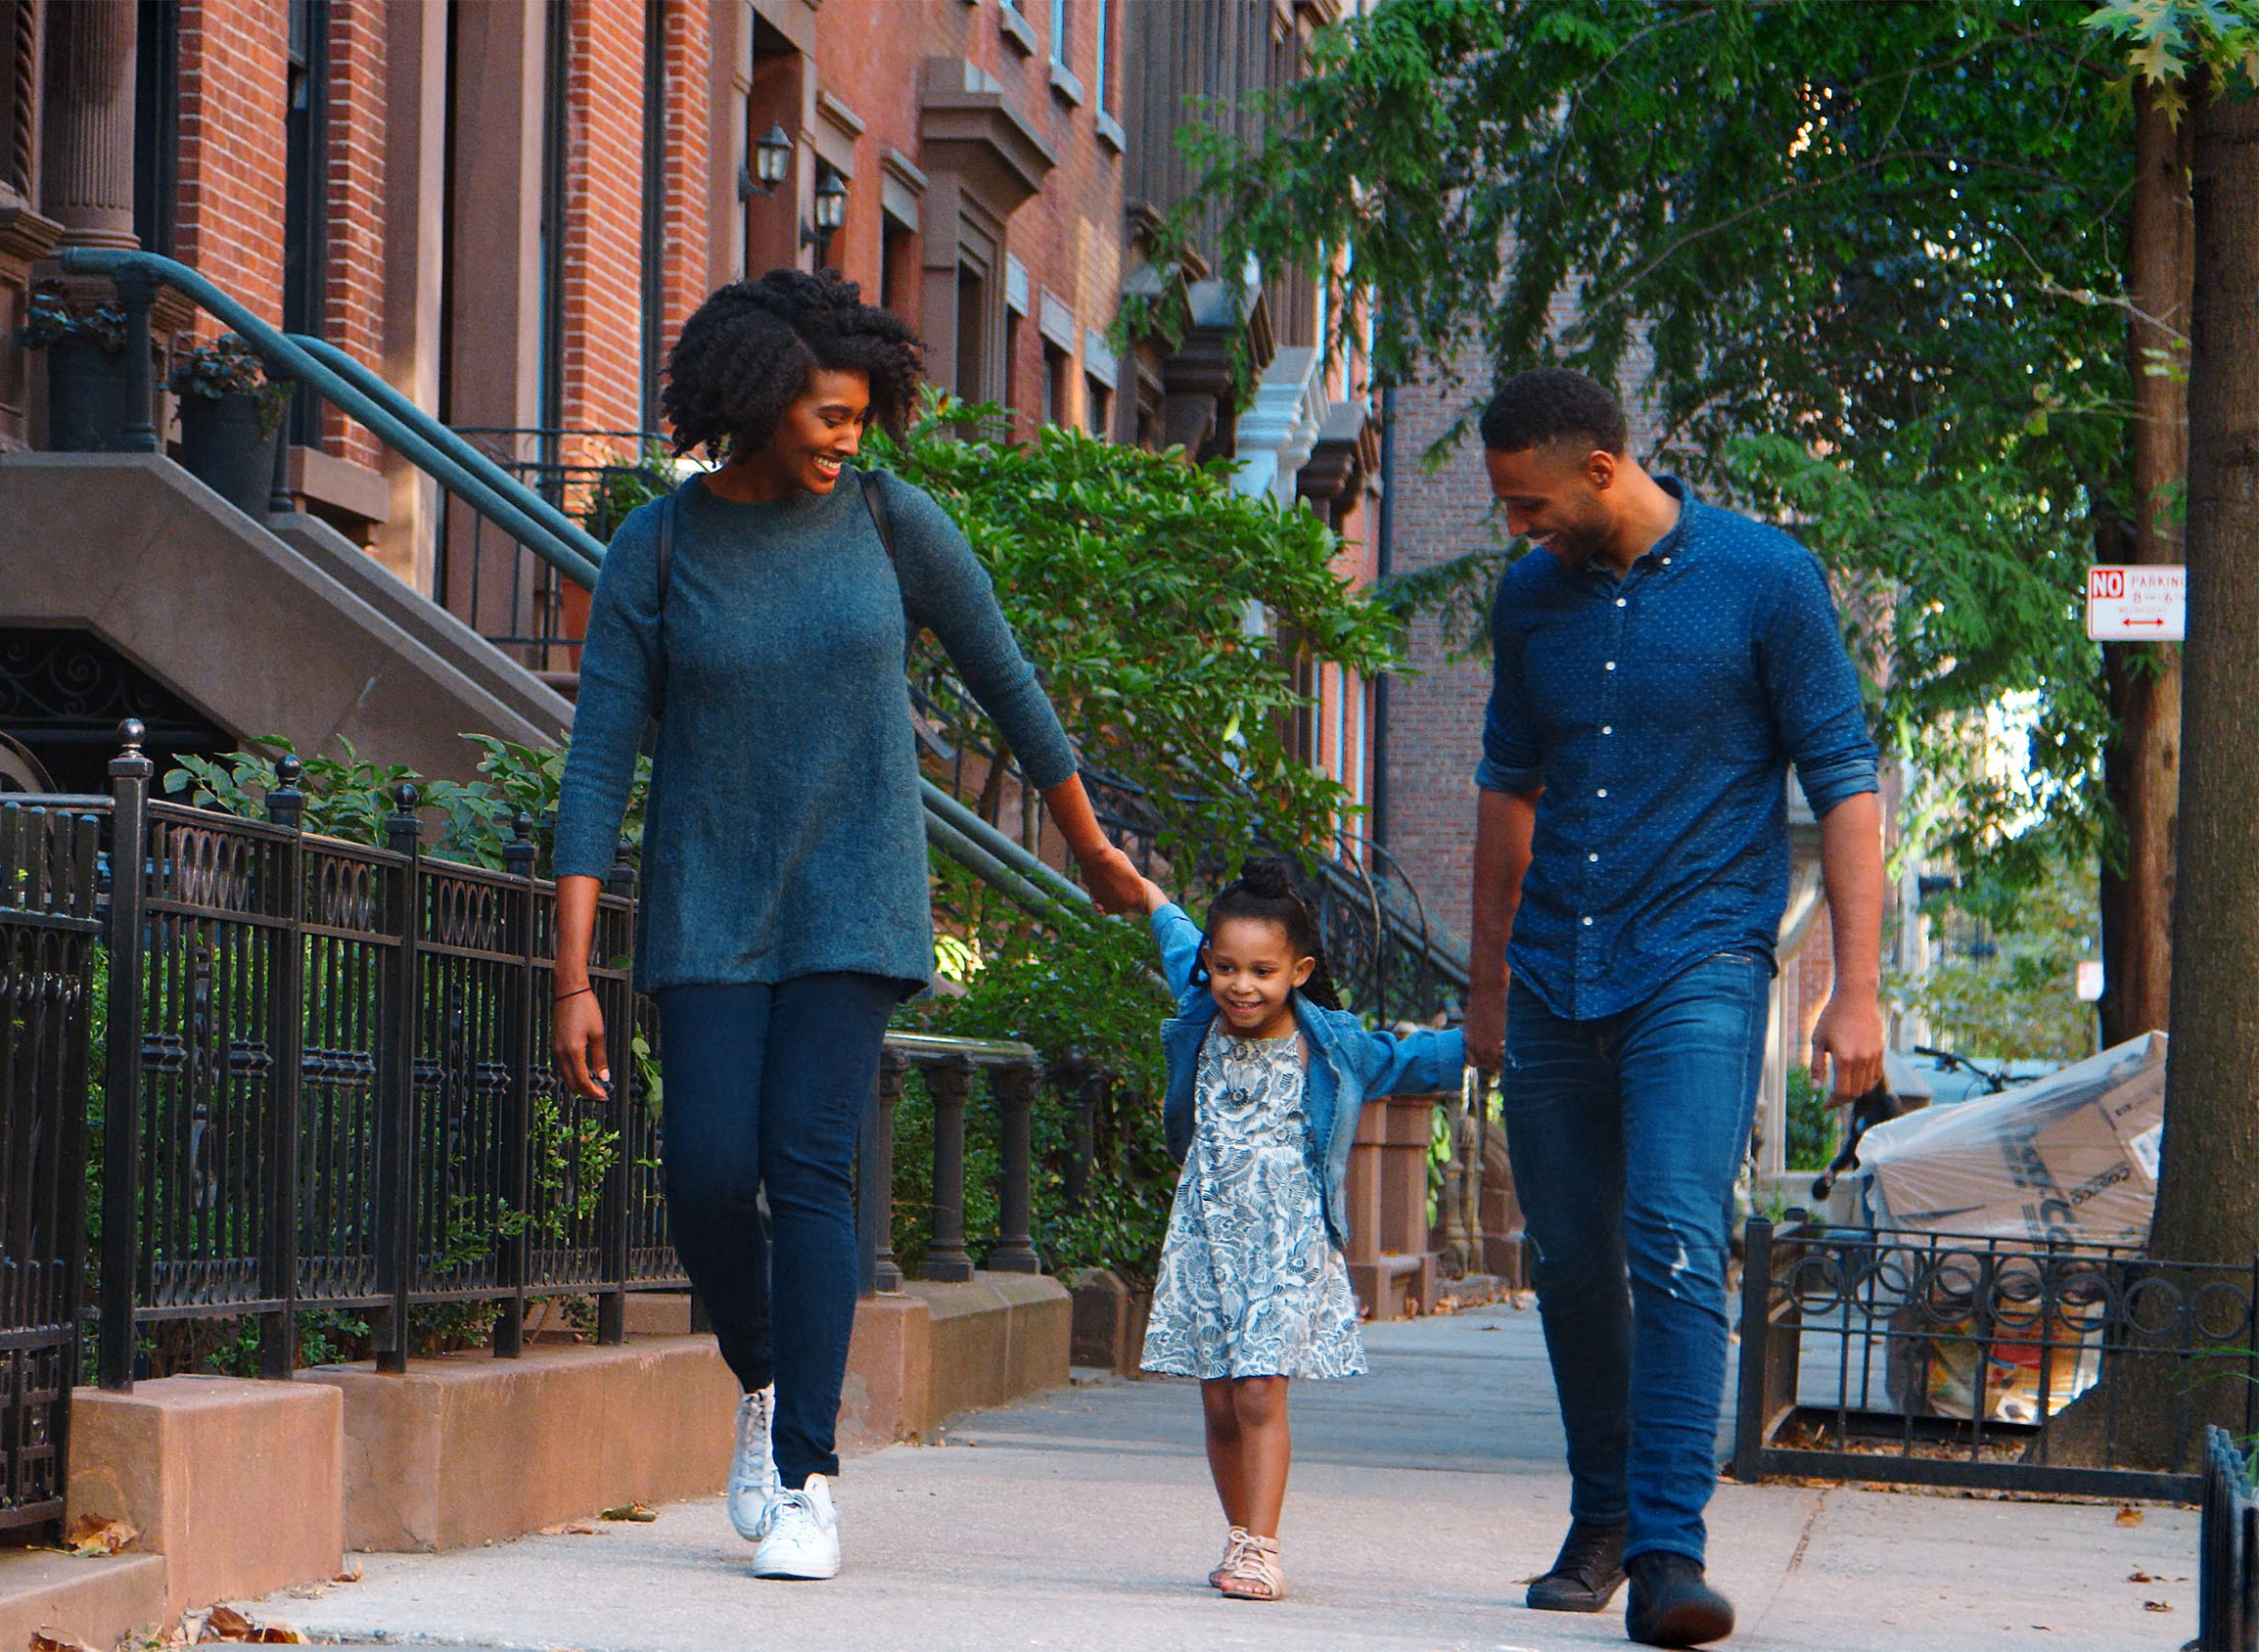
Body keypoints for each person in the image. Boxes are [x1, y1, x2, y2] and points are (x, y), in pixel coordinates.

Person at [548, 269, 1139, 1583]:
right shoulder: (660, 545)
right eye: (826, 414)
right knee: (705, 1171)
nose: (846, 437)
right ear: (754, 405)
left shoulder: (888, 518)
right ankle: (762, 1385)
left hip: (854, 896)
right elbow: (598, 761)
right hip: (709, 899)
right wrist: (572, 972)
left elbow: (1006, 675)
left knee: (810, 1165)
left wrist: (1090, 840)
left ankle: (809, 1473)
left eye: (862, 415)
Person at [1464, 368, 1885, 1649]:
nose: (1515, 528)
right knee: (1572, 1259)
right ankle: (1601, 1519)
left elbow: (1846, 781)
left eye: (1528, 502)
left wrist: (1858, 989)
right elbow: (1505, 795)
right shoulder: (1530, 598)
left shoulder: (1763, 580)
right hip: (1551, 972)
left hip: (1699, 961)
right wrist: (1487, 989)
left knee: (1672, 1232)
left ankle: (1665, 1555)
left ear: (1601, 467)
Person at [1135, 858, 1466, 1602]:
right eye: (1225, 967)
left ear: (1299, 969)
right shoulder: (1200, 1017)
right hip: (1206, 1236)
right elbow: (1173, 933)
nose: (1240, 985)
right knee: (1218, 1400)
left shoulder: (1331, 1046)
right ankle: (1241, 1538)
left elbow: (1411, 1058)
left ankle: (1263, 1547)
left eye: (1261, 970)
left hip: (1286, 1241)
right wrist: (1143, 889)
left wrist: (1496, 1039)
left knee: (1258, 1393)